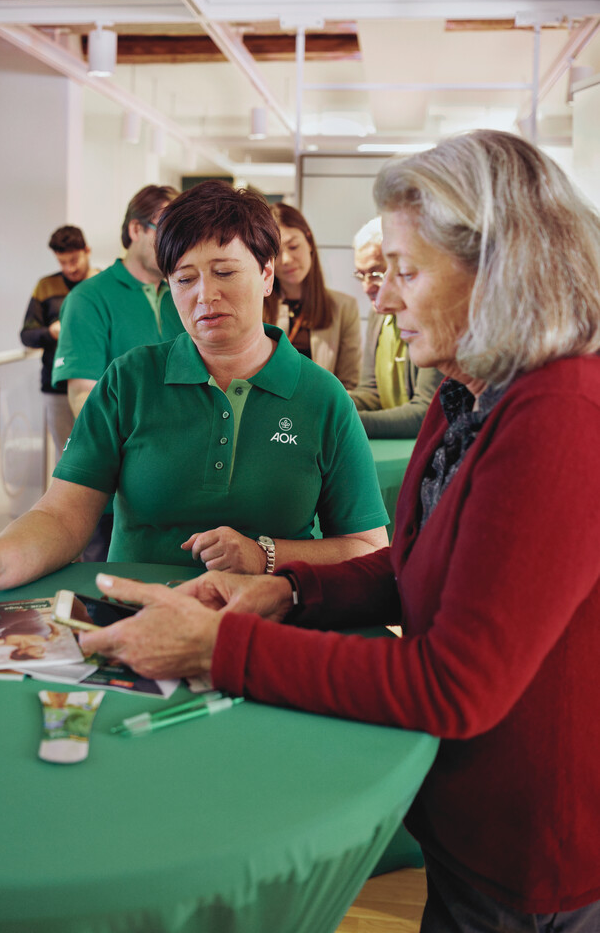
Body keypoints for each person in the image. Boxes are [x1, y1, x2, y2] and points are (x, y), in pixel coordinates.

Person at [57, 132, 598, 931]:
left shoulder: (560, 418)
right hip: (468, 823)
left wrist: (219, 648)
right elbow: (412, 567)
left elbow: (454, 686)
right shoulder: (465, 397)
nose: (381, 299)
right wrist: (282, 590)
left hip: (532, 847)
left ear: (500, 268)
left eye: (406, 274)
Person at [0, 181, 388, 597]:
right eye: (185, 279)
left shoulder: (323, 397)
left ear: (267, 274)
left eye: (225, 272)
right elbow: (62, 516)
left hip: (264, 626)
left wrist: (267, 555)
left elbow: (367, 548)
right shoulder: (129, 380)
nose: (204, 296)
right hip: (132, 618)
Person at [52, 184, 184, 560]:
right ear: (135, 230)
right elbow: (82, 395)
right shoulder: (89, 298)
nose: (175, 241)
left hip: (182, 490)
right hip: (112, 495)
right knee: (105, 602)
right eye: (165, 228)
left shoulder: (186, 292)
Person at [349, 217, 443, 438]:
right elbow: (372, 392)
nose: (366, 287)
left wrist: (340, 420)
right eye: (360, 275)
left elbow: (425, 413)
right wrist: (328, 402)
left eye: (375, 274)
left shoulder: (431, 316)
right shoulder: (377, 314)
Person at [19, 225, 97, 459]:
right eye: (63, 262)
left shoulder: (103, 284)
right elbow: (26, 335)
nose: (69, 268)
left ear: (87, 251)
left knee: (100, 455)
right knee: (65, 457)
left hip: (98, 384)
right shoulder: (46, 286)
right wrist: (51, 332)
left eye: (74, 260)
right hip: (57, 387)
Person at [264, 203, 361, 389]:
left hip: (322, 413)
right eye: (275, 253)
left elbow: (349, 384)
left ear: (309, 241)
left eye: (293, 246)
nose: (286, 260)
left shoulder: (343, 307)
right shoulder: (256, 306)